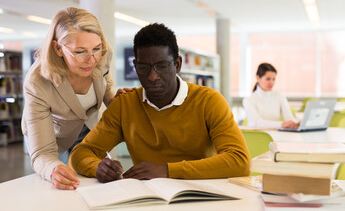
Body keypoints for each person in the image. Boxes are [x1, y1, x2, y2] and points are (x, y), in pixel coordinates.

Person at [70, 23, 250, 183]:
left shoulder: (209, 101)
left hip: (200, 196)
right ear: (135, 66)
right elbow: (81, 153)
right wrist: (98, 167)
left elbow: (239, 161)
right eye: (143, 67)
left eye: (162, 66)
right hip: (148, 199)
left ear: (178, 64)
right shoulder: (124, 105)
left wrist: (167, 170)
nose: (152, 76)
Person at [21, 7, 128, 190]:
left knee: (103, 180)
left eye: (96, 49)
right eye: (80, 52)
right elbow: (43, 153)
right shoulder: (37, 82)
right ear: (58, 48)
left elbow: (105, 78)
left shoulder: (102, 53)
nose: (91, 59)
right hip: (55, 135)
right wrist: (53, 169)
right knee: (61, 182)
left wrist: (112, 98)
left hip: (87, 128)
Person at [242, 63, 299, 129]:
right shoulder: (249, 100)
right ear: (258, 78)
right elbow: (256, 122)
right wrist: (282, 124)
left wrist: (298, 123)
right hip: (257, 136)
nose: (271, 82)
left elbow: (289, 118)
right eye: (268, 79)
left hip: (276, 136)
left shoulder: (279, 96)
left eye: (273, 79)